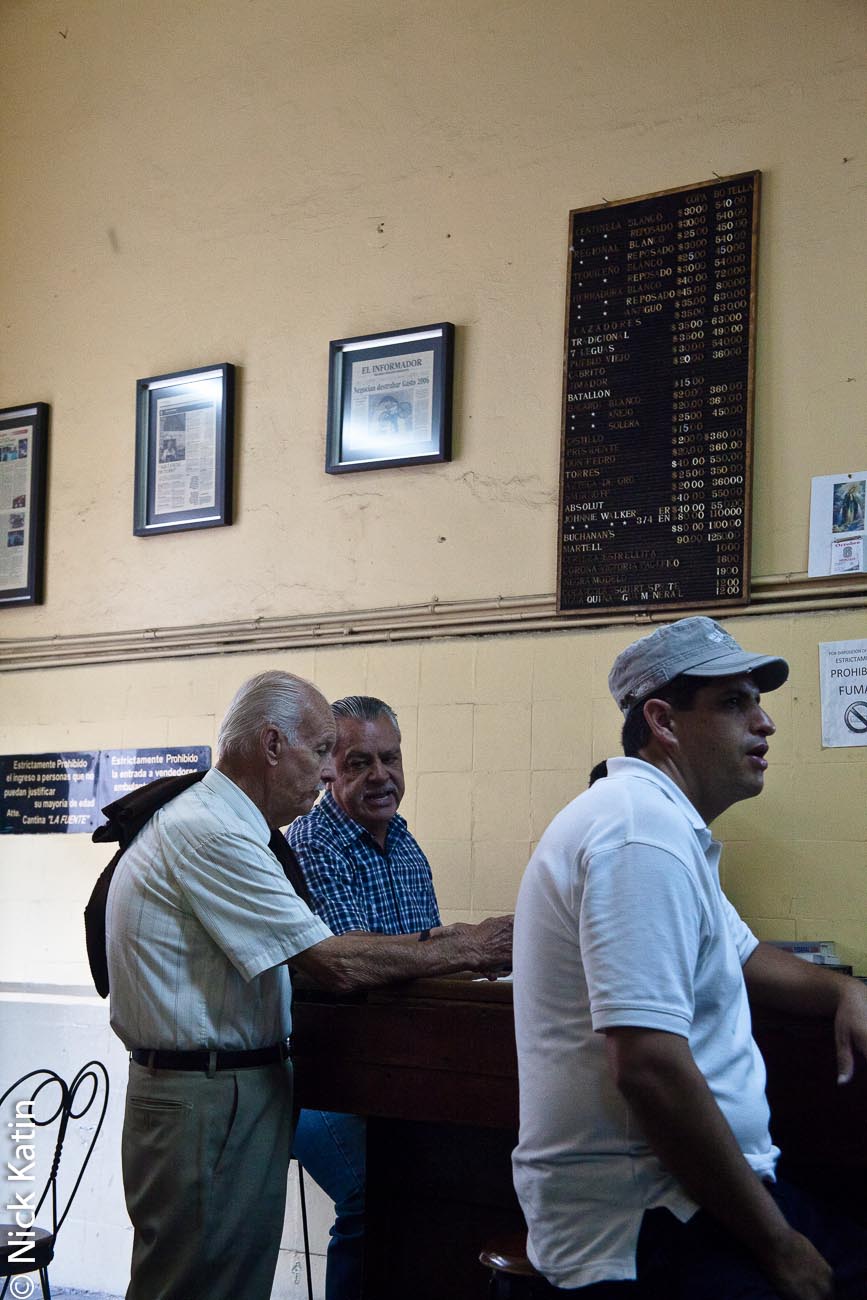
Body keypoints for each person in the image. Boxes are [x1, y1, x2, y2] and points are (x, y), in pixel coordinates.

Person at [104, 671, 512, 1300]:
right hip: (207, 1089)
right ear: (271, 745)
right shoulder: (212, 832)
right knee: (193, 1284)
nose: (328, 775)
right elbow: (334, 963)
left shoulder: (241, 829)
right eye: (324, 752)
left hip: (236, 1082)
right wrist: (474, 944)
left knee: (230, 1280)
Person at [512, 617, 867, 1299]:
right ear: (662, 721)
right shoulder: (637, 833)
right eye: (734, 703)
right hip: (650, 1224)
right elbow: (647, 1067)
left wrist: (840, 993)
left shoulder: (661, 823)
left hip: (688, 1201)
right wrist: (778, 1244)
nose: (763, 723)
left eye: (755, 702)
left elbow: (743, 956)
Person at [287, 693, 512, 1300]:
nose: (381, 776)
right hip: (321, 1079)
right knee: (372, 1194)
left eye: (391, 759)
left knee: (448, 1179)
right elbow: (349, 965)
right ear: (327, 768)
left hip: (399, 1071)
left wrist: (476, 953)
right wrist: (462, 946)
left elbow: (426, 958)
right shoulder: (311, 845)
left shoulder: (405, 843)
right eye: (360, 762)